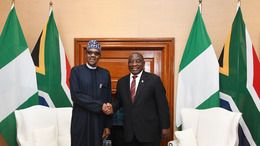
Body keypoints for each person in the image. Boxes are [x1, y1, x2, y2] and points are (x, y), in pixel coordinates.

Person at [103, 52, 171, 146]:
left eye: (138, 61)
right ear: (128, 64)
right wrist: (111, 107)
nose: (134, 64)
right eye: (131, 62)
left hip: (150, 132)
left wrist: (165, 126)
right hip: (130, 133)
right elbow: (118, 101)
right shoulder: (122, 82)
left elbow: (163, 105)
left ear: (143, 64)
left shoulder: (154, 80)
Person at [69, 40, 112, 146]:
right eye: (90, 52)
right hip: (80, 120)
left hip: (98, 121)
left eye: (96, 53)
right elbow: (76, 96)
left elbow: (108, 99)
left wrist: (107, 125)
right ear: (86, 54)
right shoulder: (76, 71)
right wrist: (100, 105)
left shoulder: (105, 73)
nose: (93, 55)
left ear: (99, 56)